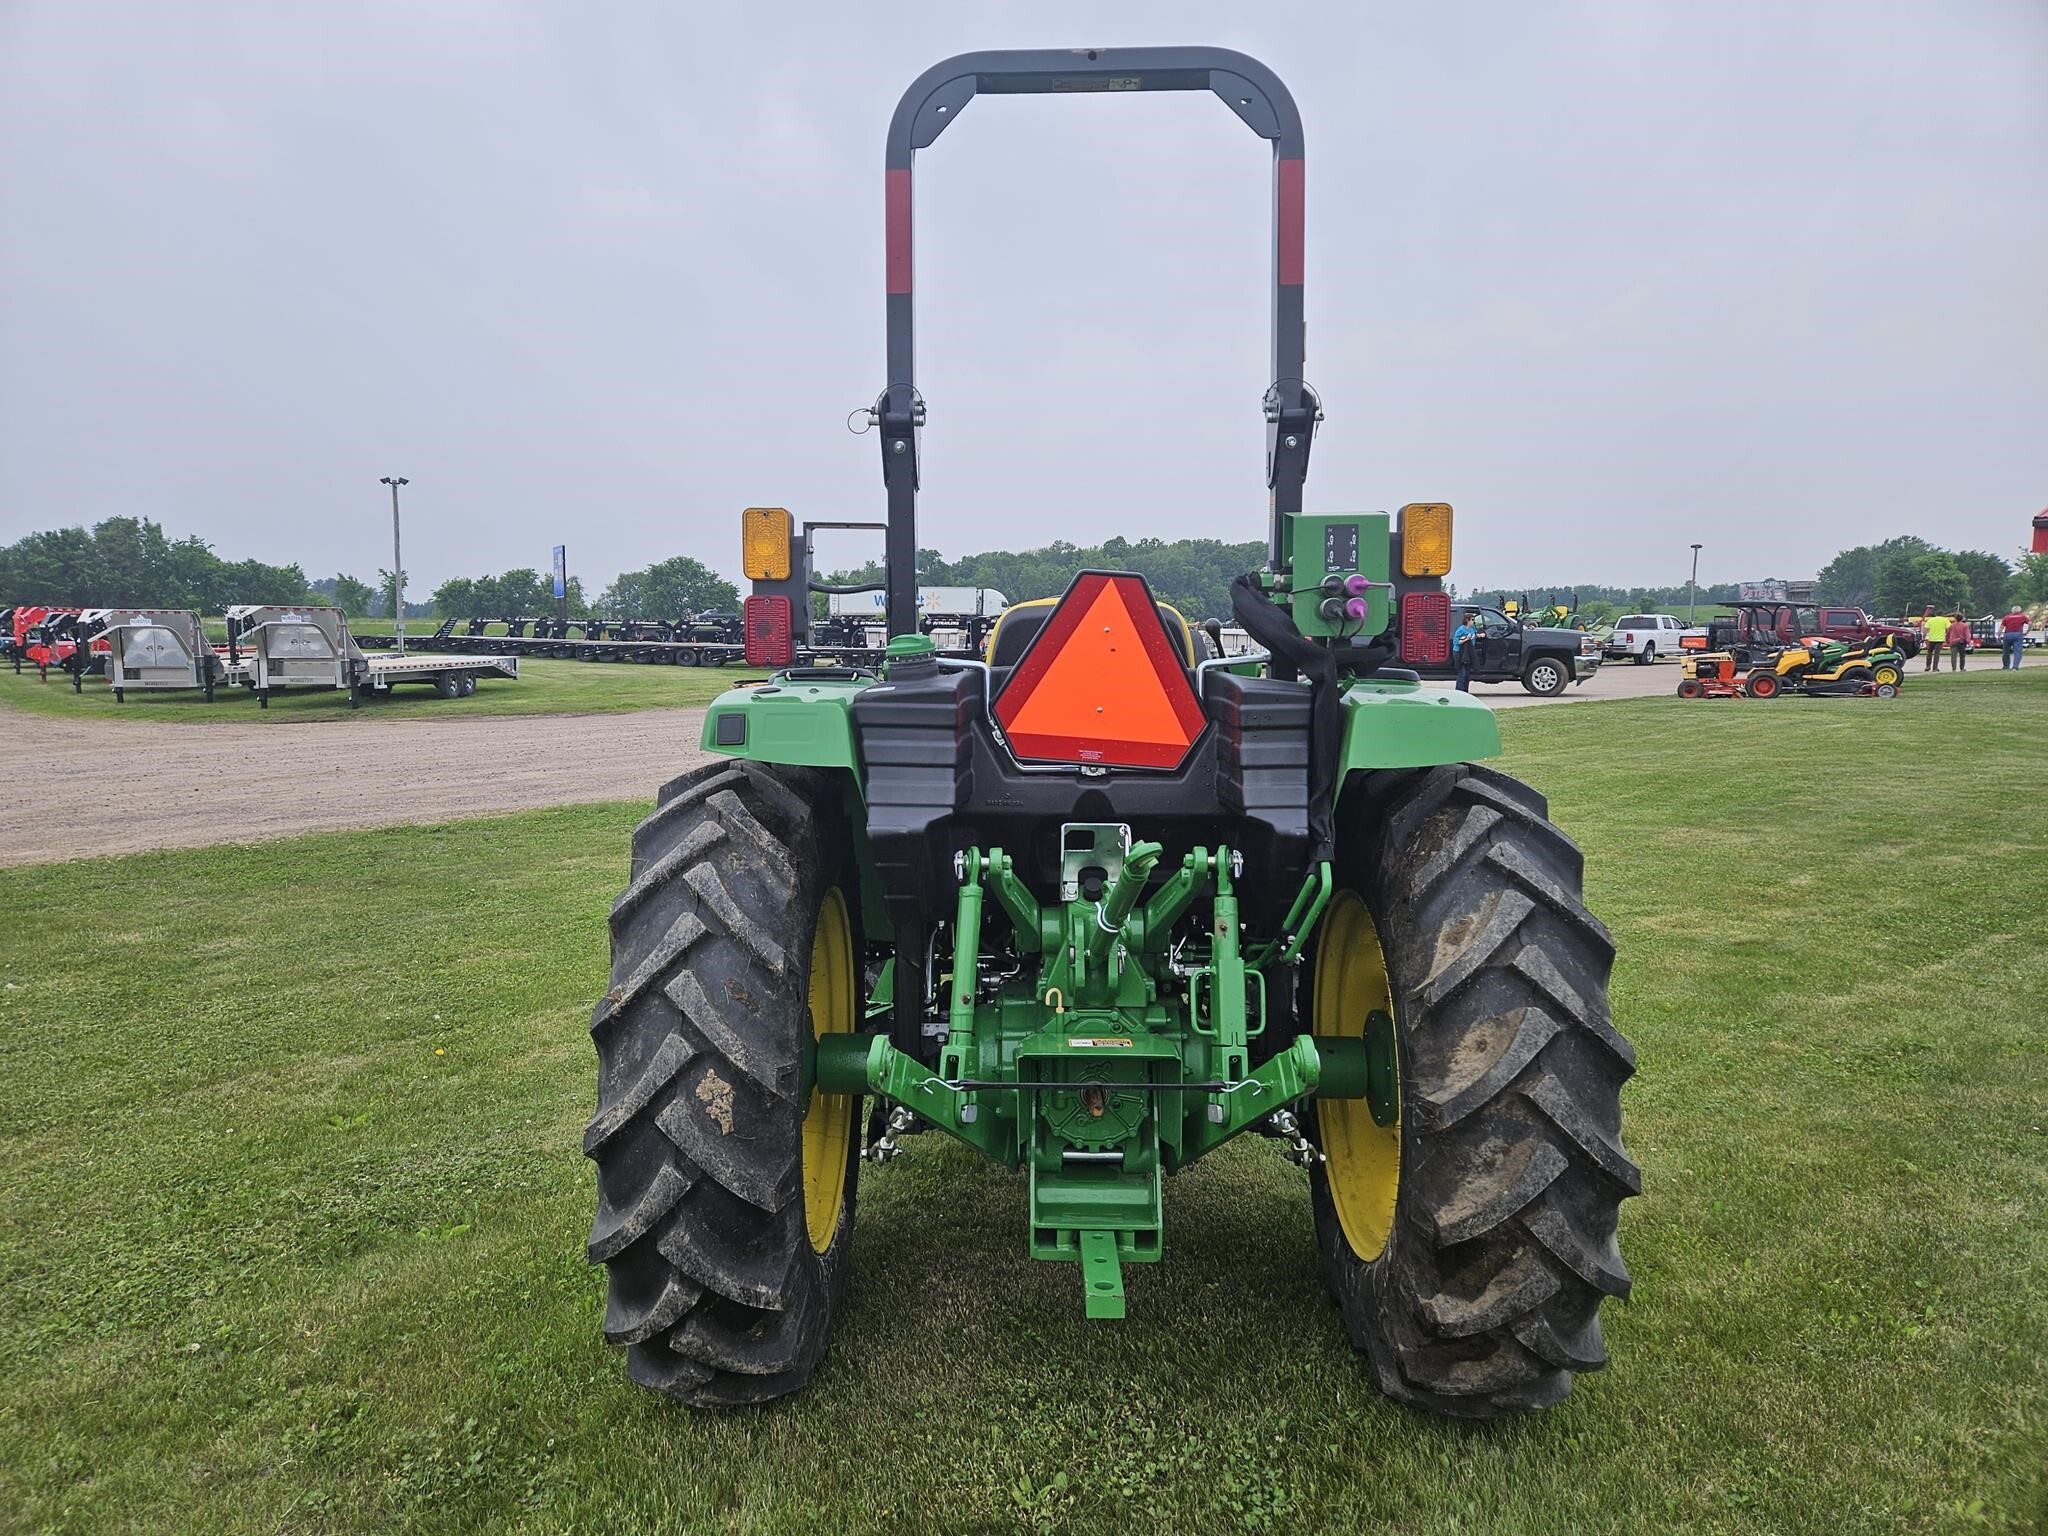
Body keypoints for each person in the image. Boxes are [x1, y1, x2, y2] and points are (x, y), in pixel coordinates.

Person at [1451, 609, 1480, 692]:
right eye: (1472, 620)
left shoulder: (1472, 628)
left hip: (1468, 653)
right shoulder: (1461, 630)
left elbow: (1475, 634)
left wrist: (1480, 635)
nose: (1473, 622)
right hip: (1460, 652)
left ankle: (1465, 691)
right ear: (1467, 620)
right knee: (1462, 673)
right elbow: (1456, 642)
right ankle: (1459, 691)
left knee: (1467, 674)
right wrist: (1466, 639)